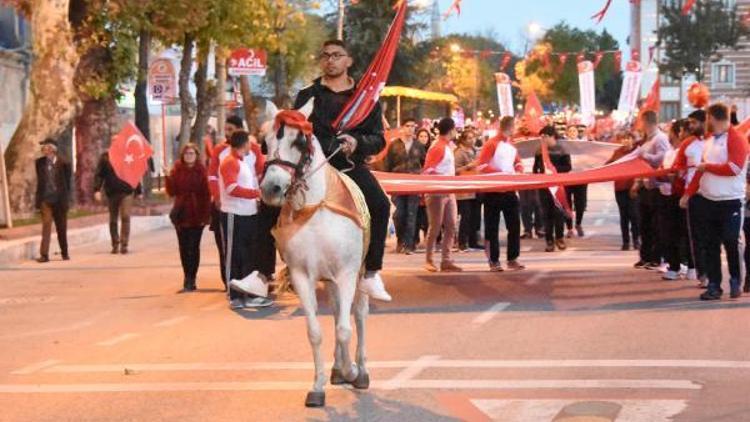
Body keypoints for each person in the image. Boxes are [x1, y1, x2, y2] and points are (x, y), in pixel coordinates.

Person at [293, 39, 391, 301]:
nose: (330, 60)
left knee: (381, 205)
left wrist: (357, 143)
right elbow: (294, 131)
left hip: (350, 167)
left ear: (349, 61)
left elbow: (379, 138)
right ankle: (261, 273)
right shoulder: (307, 94)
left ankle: (372, 272)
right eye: (325, 55)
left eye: (337, 55)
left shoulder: (366, 99)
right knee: (269, 198)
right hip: (312, 168)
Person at [682, 103, 749, 300]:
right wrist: (688, 193)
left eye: (707, 119)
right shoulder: (710, 141)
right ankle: (714, 284)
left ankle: (735, 279)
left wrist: (708, 167)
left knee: (730, 240)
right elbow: (699, 172)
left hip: (730, 201)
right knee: (710, 244)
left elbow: (734, 168)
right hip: (708, 200)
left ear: (712, 118)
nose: (706, 123)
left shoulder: (736, 139)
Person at [219, 131, 272, 309]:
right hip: (234, 215)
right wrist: (256, 194)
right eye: (250, 143)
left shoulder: (242, 163)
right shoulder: (229, 162)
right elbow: (231, 188)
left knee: (249, 256)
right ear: (245, 144)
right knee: (234, 256)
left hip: (248, 215)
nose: (253, 147)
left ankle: (248, 293)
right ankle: (234, 295)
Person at [476, 116, 525, 272]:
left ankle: (512, 258)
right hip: (493, 192)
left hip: (509, 191)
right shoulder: (491, 144)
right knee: (492, 228)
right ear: (509, 127)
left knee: (515, 226)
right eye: (514, 127)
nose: (515, 129)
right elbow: (481, 166)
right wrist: (501, 173)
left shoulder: (510, 145)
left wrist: (518, 169)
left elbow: (518, 162)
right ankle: (493, 260)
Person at [165, 143, 211, 292]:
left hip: (197, 213)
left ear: (196, 155)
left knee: (194, 247)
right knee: (184, 248)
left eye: (191, 153)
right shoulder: (177, 169)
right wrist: (167, 177)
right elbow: (172, 191)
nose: (189, 156)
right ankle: (187, 277)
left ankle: (193, 277)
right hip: (182, 213)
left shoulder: (201, 170)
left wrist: (206, 215)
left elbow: (206, 193)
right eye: (186, 154)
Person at [671, 110, 708, 283]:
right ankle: (703, 274)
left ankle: (712, 273)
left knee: (714, 237)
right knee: (696, 236)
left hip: (714, 193)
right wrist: (679, 173)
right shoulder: (687, 143)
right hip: (694, 194)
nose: (690, 126)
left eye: (693, 123)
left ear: (703, 122)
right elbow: (678, 165)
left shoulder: (714, 141)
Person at [207, 115, 244, 287]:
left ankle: (247, 281)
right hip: (224, 206)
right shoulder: (219, 150)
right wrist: (217, 196)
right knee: (226, 246)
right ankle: (229, 282)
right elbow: (212, 175)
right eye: (226, 129)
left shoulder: (251, 149)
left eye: (231, 129)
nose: (227, 133)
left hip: (247, 207)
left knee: (245, 246)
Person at [422, 118, 462, 272]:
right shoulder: (437, 147)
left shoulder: (447, 146)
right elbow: (427, 170)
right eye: (455, 129)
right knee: (435, 227)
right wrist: (441, 181)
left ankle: (446, 260)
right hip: (437, 193)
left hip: (449, 192)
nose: (456, 132)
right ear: (451, 130)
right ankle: (429, 260)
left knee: (451, 225)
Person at [632, 110, 670, 269]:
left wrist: (644, 156)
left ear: (647, 121)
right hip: (645, 186)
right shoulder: (647, 140)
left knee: (655, 224)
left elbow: (662, 159)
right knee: (644, 224)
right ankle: (645, 255)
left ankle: (656, 257)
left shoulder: (660, 138)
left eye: (642, 121)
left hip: (655, 187)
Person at [383, 118, 425, 254]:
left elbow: (424, 164)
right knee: (399, 214)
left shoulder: (419, 146)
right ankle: (400, 240)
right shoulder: (394, 145)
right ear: (402, 127)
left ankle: (409, 245)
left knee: (411, 214)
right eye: (408, 126)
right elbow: (387, 165)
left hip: (414, 184)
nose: (411, 129)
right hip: (397, 185)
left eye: (413, 126)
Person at [94, 151, 142, 255]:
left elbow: (135, 173)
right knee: (113, 219)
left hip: (127, 191)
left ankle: (124, 244)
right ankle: (115, 243)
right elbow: (99, 174)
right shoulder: (106, 157)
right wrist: (97, 189)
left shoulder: (129, 156)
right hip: (112, 192)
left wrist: (139, 191)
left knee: (125, 216)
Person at [533, 125, 571, 252]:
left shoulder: (562, 150)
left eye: (544, 137)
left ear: (551, 136)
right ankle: (549, 240)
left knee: (558, 213)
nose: (542, 140)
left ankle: (559, 238)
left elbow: (567, 167)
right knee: (546, 214)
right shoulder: (539, 151)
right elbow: (535, 169)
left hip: (558, 187)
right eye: (541, 138)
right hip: (544, 187)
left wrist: (553, 171)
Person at [35, 138, 71, 263]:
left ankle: (64, 252)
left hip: (60, 201)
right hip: (45, 200)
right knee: (46, 225)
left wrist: (67, 201)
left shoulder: (65, 163)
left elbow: (68, 184)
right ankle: (44, 255)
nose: (42, 149)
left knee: (61, 227)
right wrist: (38, 201)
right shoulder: (39, 163)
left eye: (44, 147)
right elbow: (40, 183)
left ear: (51, 149)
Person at [655, 120, 682, 280]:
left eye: (671, 131)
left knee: (677, 233)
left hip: (677, 196)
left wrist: (667, 176)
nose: (668, 134)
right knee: (666, 232)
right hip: (664, 195)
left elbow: (678, 173)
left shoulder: (681, 151)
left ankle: (682, 264)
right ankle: (672, 263)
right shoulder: (670, 152)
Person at [606, 132, 640, 251]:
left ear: (633, 140)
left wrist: (636, 184)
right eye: (623, 139)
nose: (626, 141)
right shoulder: (617, 153)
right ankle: (625, 242)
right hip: (620, 187)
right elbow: (608, 165)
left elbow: (641, 168)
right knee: (623, 215)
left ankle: (636, 240)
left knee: (634, 215)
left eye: (628, 138)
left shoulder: (637, 153)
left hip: (633, 188)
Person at [454, 127, 482, 251]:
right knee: (466, 216)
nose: (472, 140)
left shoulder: (476, 151)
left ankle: (473, 240)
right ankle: (462, 242)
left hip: (475, 187)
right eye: (469, 138)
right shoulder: (459, 153)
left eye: (473, 137)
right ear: (463, 140)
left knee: (475, 216)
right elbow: (454, 170)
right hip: (464, 190)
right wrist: (468, 166)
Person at [414, 128, 433, 247]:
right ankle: (414, 239)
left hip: (428, 186)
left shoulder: (431, 151)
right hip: (416, 185)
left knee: (428, 214)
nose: (423, 139)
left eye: (425, 136)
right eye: (421, 136)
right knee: (416, 213)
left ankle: (428, 238)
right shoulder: (414, 150)